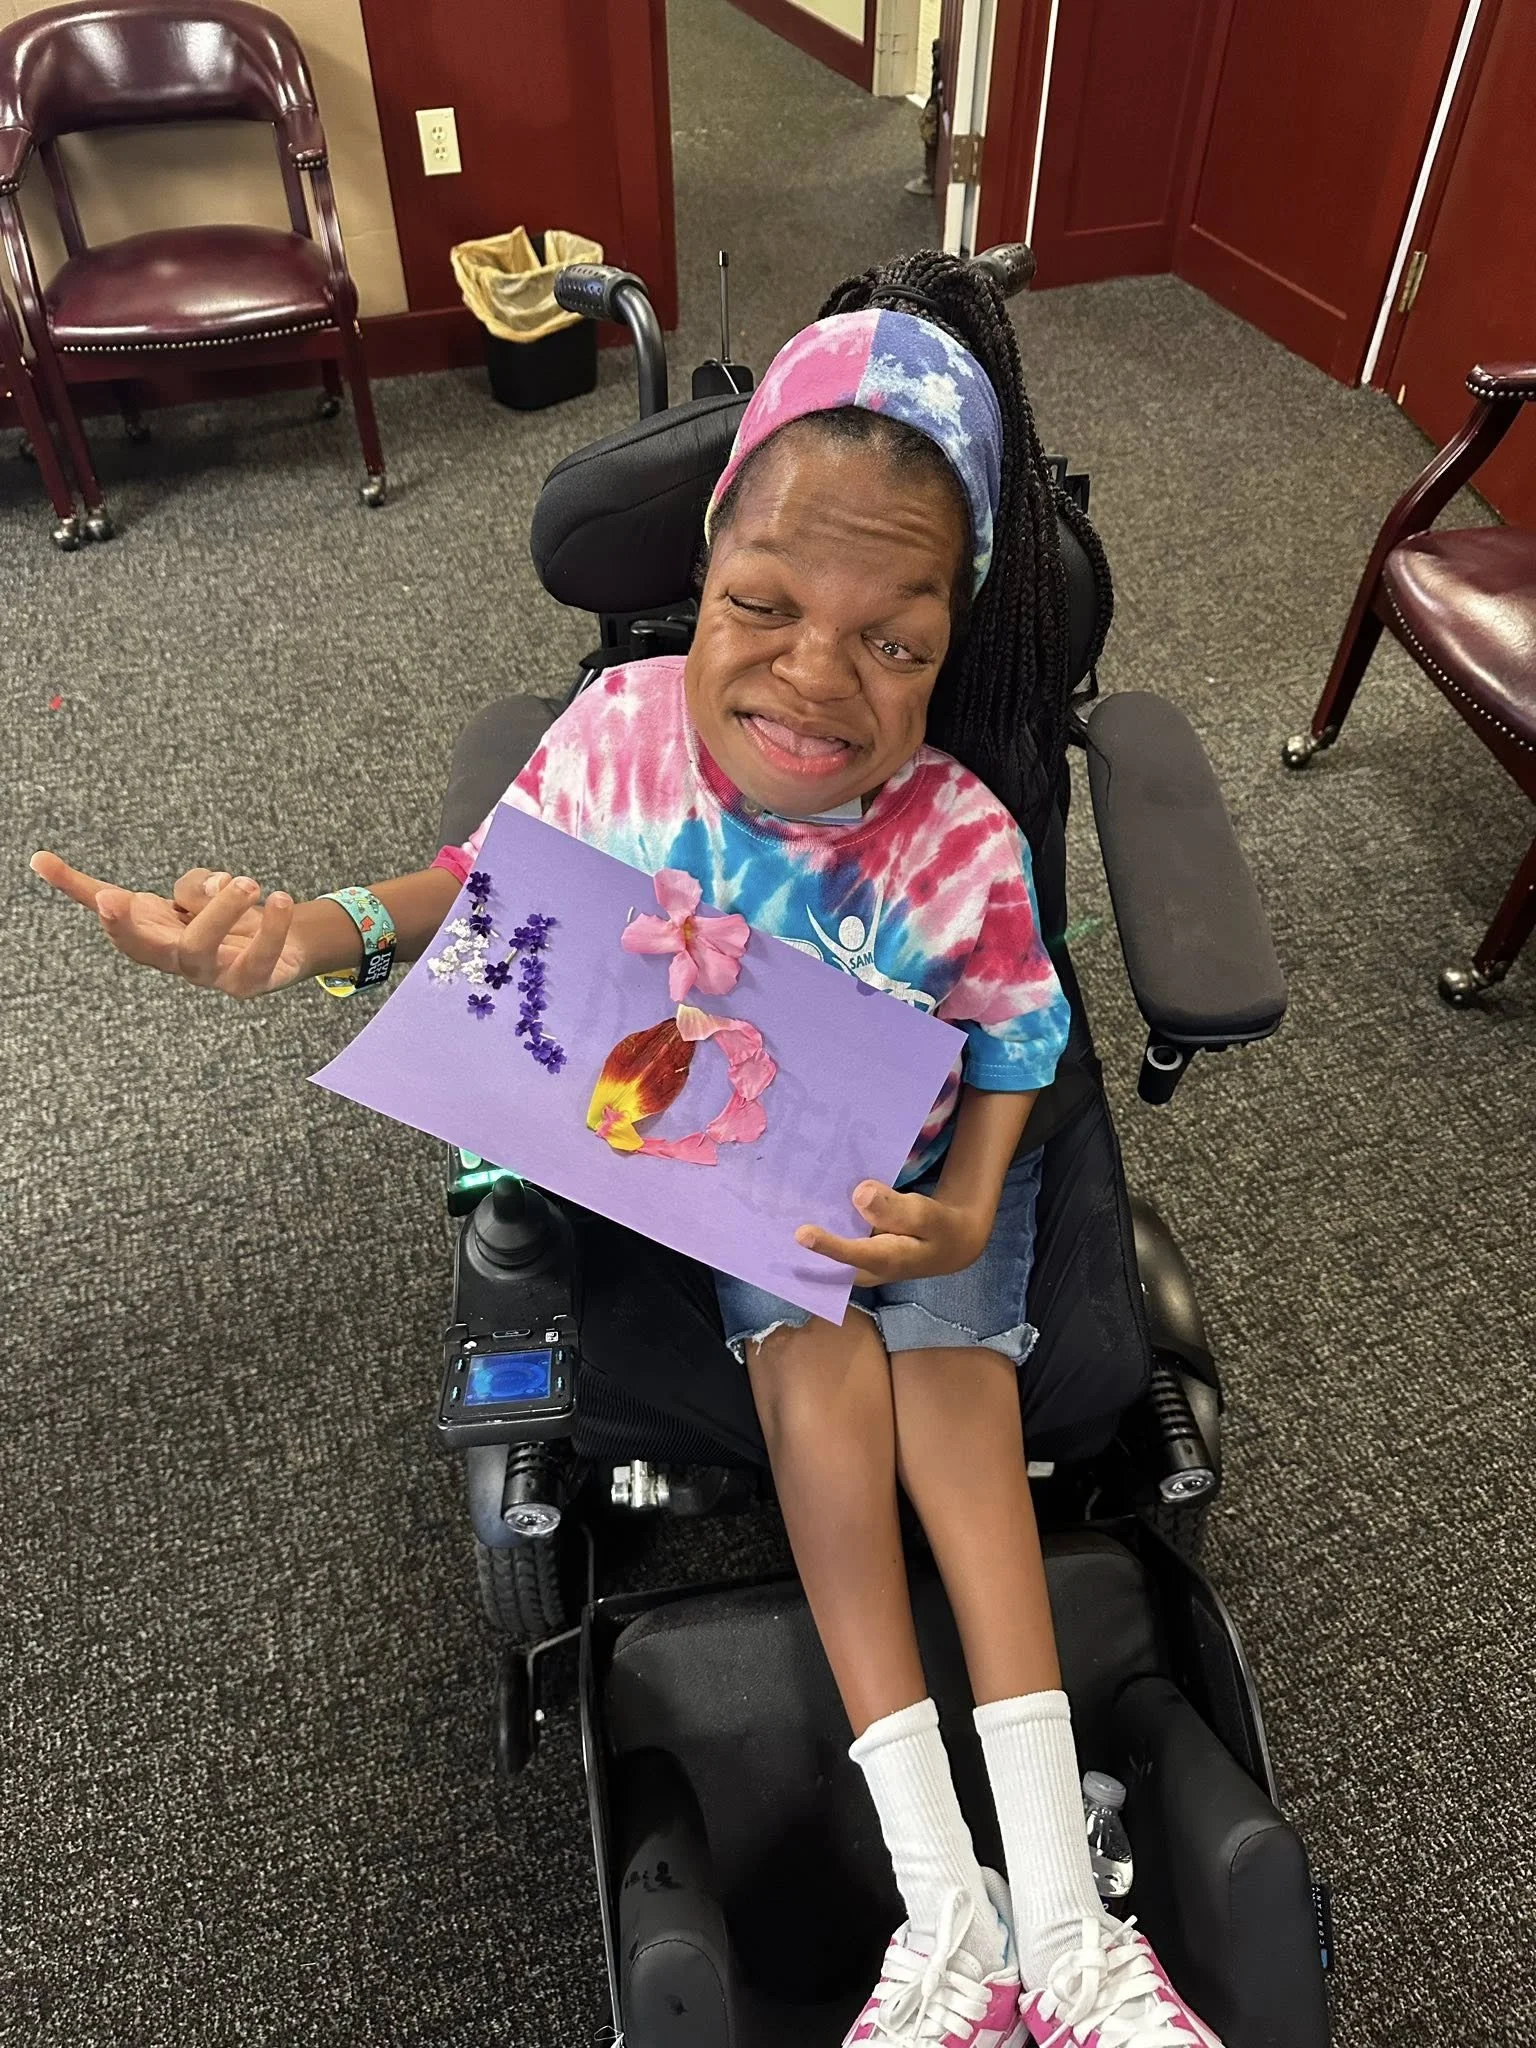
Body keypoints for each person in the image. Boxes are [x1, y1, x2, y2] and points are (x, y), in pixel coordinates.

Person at [31, 252, 1222, 2048]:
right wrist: (313, 926)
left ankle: (1070, 1925)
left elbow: (1023, 1030)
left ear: (953, 641)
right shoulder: (616, 737)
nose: (817, 679)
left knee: (959, 1410)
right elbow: (489, 893)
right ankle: (945, 1911)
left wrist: (979, 1188)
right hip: (739, 1145)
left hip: (913, 1134)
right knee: (817, 1394)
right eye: (765, 604)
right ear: (702, 578)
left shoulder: (955, 827)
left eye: (895, 641)